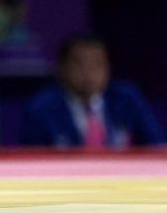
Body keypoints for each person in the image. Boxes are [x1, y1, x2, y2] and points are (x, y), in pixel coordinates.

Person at [20, 34, 165, 148]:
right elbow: (31, 159)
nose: (88, 73)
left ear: (108, 68)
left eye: (97, 64)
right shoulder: (41, 108)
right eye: (80, 64)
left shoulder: (126, 98)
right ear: (61, 68)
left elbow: (156, 146)